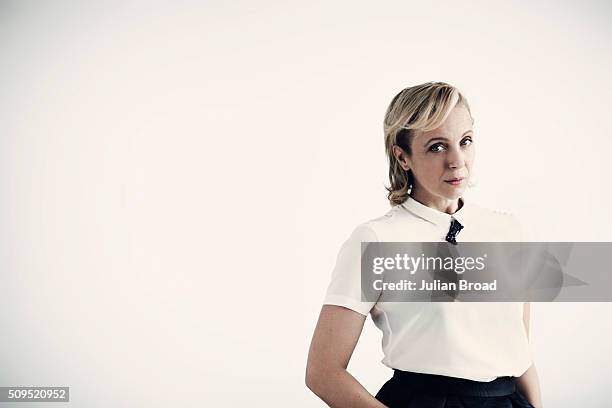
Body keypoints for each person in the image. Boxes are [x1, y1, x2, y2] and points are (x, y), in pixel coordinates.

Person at [305, 82, 543, 408]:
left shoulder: (508, 230)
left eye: (466, 141)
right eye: (437, 147)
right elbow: (323, 372)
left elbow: (520, 351)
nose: (457, 161)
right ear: (402, 156)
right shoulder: (375, 240)